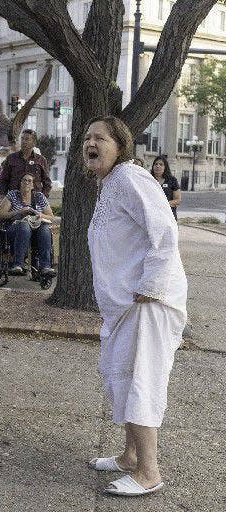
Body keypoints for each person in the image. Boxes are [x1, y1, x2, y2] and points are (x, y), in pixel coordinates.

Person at [84, 116, 187, 496]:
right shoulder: (109, 184)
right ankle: (130, 456)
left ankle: (149, 473)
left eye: (100, 137)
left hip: (149, 301)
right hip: (125, 304)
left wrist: (150, 285)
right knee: (123, 376)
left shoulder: (131, 177)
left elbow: (165, 232)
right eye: (87, 137)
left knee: (142, 379)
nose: (90, 143)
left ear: (120, 145)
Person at [0, 173, 56, 277]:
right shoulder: (13, 195)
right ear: (20, 183)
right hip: (14, 230)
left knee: (45, 229)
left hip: (36, 230)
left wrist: (39, 215)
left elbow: (51, 217)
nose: (26, 183)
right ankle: (18, 264)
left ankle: (45, 266)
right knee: (24, 225)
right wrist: (19, 212)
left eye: (29, 181)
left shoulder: (39, 196)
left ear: (33, 185)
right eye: (24, 180)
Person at [0, 129, 52, 197]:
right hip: (14, 200)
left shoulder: (41, 160)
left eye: (27, 139)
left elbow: (47, 183)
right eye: (22, 139)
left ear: (34, 142)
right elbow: (4, 180)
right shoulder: (11, 158)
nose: (23, 141)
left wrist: (43, 198)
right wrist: (3, 197)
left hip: (35, 201)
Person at [151, 156, 181, 220]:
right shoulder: (149, 180)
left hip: (169, 216)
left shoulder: (172, 180)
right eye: (155, 164)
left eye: (161, 164)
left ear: (165, 167)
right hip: (153, 216)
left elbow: (178, 200)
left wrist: (163, 204)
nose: (158, 166)